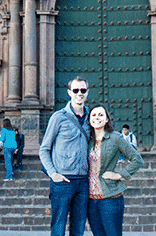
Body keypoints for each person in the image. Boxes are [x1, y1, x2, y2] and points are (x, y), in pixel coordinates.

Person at [39, 76, 92, 236]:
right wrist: (53, 173)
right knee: (58, 227)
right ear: (69, 92)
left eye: (83, 90)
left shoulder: (92, 117)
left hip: (83, 181)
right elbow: (44, 149)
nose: (79, 94)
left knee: (78, 227)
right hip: (62, 181)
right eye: (75, 90)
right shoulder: (58, 117)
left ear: (87, 92)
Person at [86, 104, 143, 236]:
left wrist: (119, 175)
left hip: (110, 197)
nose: (97, 117)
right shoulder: (86, 140)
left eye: (101, 115)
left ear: (107, 119)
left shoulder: (115, 138)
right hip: (90, 199)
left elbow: (137, 159)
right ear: (89, 120)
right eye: (93, 115)